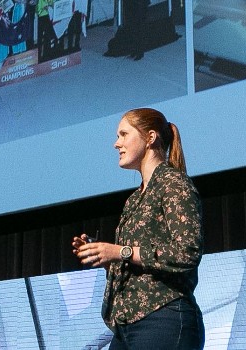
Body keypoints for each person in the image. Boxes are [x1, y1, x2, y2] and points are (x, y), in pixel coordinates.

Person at [72, 108, 204, 349]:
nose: (116, 144)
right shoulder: (134, 199)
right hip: (126, 324)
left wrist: (120, 251)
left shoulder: (173, 183)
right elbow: (135, 260)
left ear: (150, 138)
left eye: (123, 134)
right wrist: (104, 256)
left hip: (163, 317)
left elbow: (187, 252)